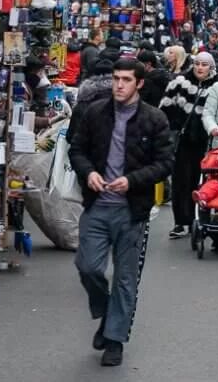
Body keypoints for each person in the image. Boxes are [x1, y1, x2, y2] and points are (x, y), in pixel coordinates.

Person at [69, 59, 174, 367]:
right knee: (87, 266)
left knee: (126, 279)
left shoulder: (155, 119)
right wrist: (88, 173)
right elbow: (77, 149)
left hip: (132, 211)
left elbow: (165, 163)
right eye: (116, 79)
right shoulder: (95, 113)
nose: (119, 85)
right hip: (97, 206)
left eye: (126, 80)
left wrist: (132, 180)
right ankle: (105, 311)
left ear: (139, 83)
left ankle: (114, 340)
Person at [159, 51, 218, 239]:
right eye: (198, 64)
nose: (200, 67)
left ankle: (201, 221)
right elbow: (165, 111)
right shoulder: (179, 82)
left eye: (204, 64)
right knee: (181, 181)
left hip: (208, 142)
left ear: (211, 67)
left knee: (205, 183)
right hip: (183, 142)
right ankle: (181, 222)